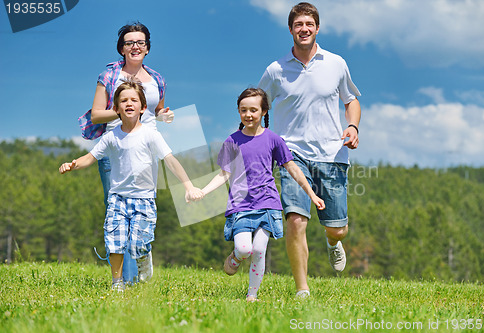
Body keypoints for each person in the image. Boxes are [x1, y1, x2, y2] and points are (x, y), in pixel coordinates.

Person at [258, 2, 362, 298]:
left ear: (317, 28)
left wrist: (352, 127)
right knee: (295, 219)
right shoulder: (276, 70)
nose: (303, 29)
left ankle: (332, 242)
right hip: (291, 155)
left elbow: (351, 100)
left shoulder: (336, 63)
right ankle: (302, 289)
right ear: (291, 30)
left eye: (309, 24)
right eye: (298, 25)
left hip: (332, 155)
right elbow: (258, 103)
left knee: (337, 228)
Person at [61, 80, 203, 291]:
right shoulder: (111, 137)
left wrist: (189, 186)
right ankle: (117, 283)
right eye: (124, 100)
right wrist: (73, 165)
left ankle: (144, 260)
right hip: (117, 198)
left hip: (144, 199)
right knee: (115, 240)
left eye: (134, 100)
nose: (129, 103)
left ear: (143, 107)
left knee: (139, 244)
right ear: (116, 108)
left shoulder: (151, 135)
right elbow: (90, 157)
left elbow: (171, 160)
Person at [194, 88, 324, 302]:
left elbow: (292, 168)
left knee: (259, 249)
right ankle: (236, 256)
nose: (248, 114)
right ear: (238, 112)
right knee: (245, 249)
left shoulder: (274, 139)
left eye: (254, 110)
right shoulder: (232, 141)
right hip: (240, 205)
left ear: (264, 111)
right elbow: (223, 174)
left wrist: (311, 194)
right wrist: (203, 191)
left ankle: (252, 295)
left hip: (268, 203)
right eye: (243, 110)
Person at [90, 22, 174, 282]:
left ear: (147, 48)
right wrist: (123, 108)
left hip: (145, 150)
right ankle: (125, 280)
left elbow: (156, 109)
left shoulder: (157, 79)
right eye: (129, 43)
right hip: (114, 149)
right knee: (116, 212)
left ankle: (141, 255)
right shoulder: (110, 76)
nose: (135, 46)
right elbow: (95, 115)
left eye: (140, 42)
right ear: (122, 48)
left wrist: (163, 114)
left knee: (142, 208)